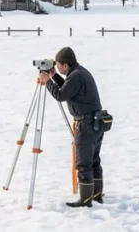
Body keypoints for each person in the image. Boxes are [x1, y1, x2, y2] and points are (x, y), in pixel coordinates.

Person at [38, 47, 104, 208]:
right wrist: (53, 76)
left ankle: (86, 200)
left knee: (83, 163)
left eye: (58, 65)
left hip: (86, 124)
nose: (57, 67)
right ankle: (96, 196)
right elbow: (68, 89)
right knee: (93, 160)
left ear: (65, 65)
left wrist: (47, 82)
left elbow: (61, 95)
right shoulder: (79, 72)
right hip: (96, 121)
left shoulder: (75, 76)